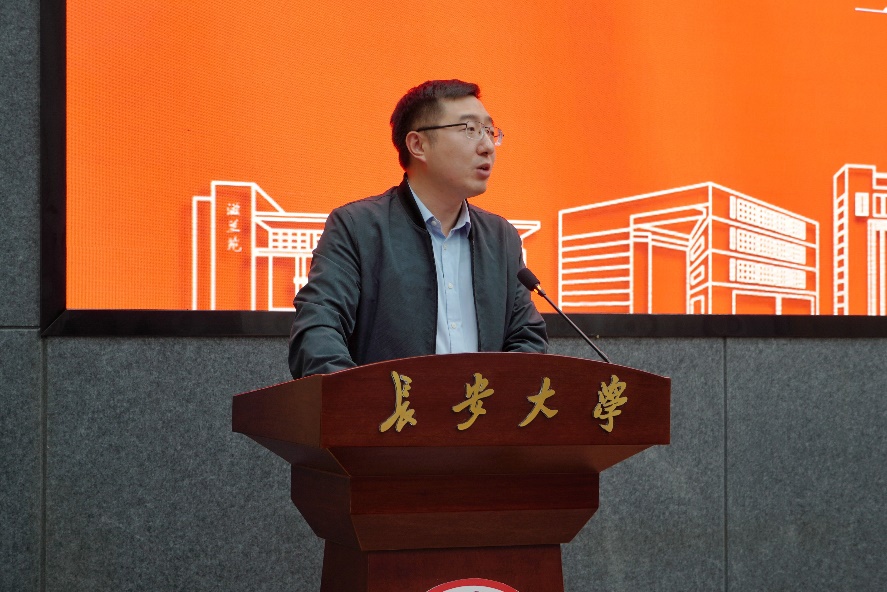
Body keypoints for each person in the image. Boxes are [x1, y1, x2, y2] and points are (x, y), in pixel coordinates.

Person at [288, 79, 547, 378]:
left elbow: (527, 339)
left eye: (490, 131)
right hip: (388, 408)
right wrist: (361, 401)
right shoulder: (357, 227)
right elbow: (317, 332)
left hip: (479, 407)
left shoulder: (501, 238)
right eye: (470, 129)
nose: (487, 146)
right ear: (418, 145)